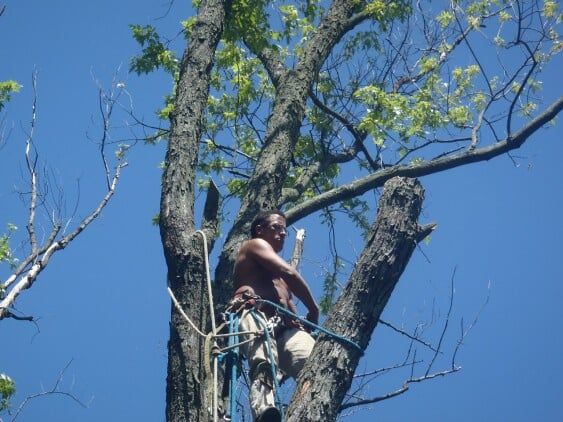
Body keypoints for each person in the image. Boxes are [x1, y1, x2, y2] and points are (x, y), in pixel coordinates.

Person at [231, 210, 319, 422]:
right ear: (260, 229)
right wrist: (314, 310)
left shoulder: (278, 277)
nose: (282, 233)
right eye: (276, 227)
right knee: (263, 361)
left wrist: (302, 324)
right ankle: (264, 411)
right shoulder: (254, 245)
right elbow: (290, 272)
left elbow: (288, 301)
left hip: (287, 327)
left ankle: (315, 405)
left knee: (316, 364)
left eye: (285, 231)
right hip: (256, 314)